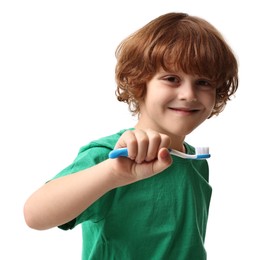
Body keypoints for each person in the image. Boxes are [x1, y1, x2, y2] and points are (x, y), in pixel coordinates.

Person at [23, 12, 238, 259]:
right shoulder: (111, 156)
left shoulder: (196, 162)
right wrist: (112, 174)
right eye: (171, 79)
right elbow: (34, 215)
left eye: (203, 82)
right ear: (140, 82)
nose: (189, 94)